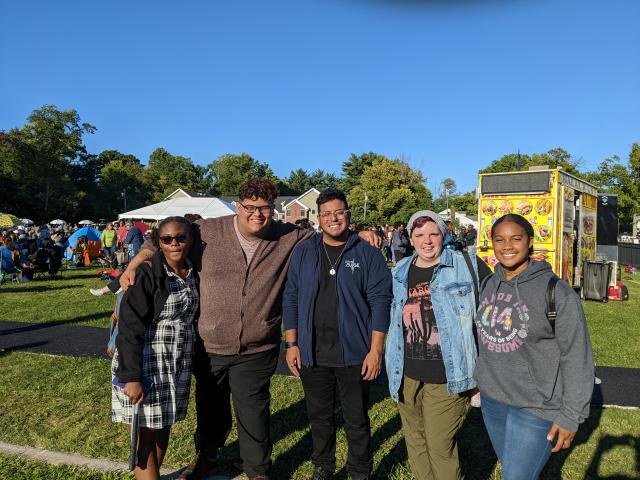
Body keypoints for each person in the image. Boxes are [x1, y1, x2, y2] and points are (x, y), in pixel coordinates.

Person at [120, 178, 379, 480]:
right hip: (210, 343)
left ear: (274, 209)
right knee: (210, 410)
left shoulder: (289, 236)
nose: (257, 214)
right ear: (238, 207)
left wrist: (359, 234)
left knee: (254, 413)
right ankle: (207, 457)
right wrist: (135, 262)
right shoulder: (208, 230)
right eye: (250, 207)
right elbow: (164, 236)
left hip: (257, 346)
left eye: (265, 208)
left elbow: (328, 234)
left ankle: (258, 470)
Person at [283, 188, 392, 480]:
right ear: (319, 218)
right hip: (312, 350)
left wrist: (375, 350)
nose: (334, 218)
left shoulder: (367, 254)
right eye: (327, 213)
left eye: (339, 212)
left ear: (348, 215)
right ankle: (324, 467)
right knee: (319, 417)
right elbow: (291, 298)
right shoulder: (304, 252)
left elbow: (381, 302)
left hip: (354, 350)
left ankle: (359, 470)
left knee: (356, 418)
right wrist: (292, 343)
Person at [474, 213, 594, 479]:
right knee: (515, 471)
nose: (507, 246)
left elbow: (577, 356)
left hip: (537, 406)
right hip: (493, 401)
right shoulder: (488, 283)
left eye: (516, 238)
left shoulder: (556, 292)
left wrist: (571, 415)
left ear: (530, 242)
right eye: (499, 239)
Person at [385, 210, 491, 480]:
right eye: (419, 234)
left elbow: (493, 312)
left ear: (444, 235)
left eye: (433, 233)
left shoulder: (466, 265)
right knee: (416, 443)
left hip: (448, 375)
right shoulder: (399, 272)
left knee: (439, 446)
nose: (427, 240)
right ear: (410, 238)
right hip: (406, 374)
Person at [112, 216, 199, 480]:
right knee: (145, 437)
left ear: (190, 240)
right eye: (167, 239)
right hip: (146, 363)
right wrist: (132, 377)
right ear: (158, 242)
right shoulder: (149, 273)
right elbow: (129, 327)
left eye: (181, 238)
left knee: (163, 429)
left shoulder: (193, 270)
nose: (175, 243)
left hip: (177, 363)